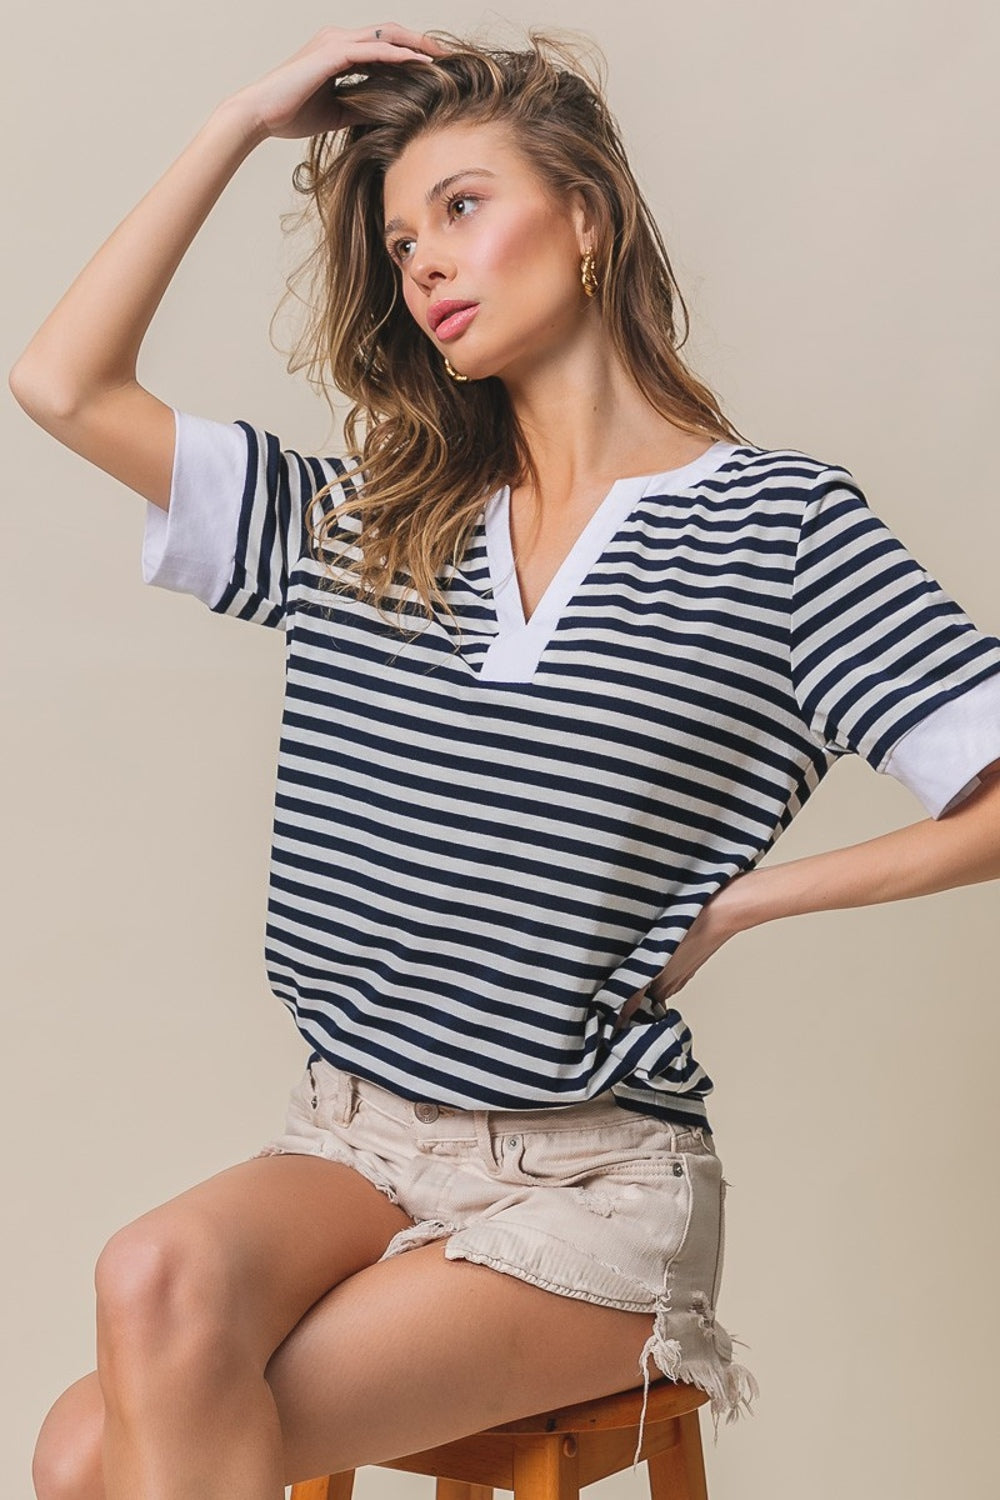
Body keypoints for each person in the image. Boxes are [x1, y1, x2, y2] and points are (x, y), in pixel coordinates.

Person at [10, 20, 1000, 1500]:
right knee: (140, 1292)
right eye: (402, 238)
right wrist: (237, 121)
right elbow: (64, 386)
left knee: (106, 1450)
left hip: (588, 1180)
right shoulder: (370, 522)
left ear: (586, 217)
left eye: (464, 207)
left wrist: (746, 904)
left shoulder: (781, 533)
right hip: (350, 1135)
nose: (425, 263)